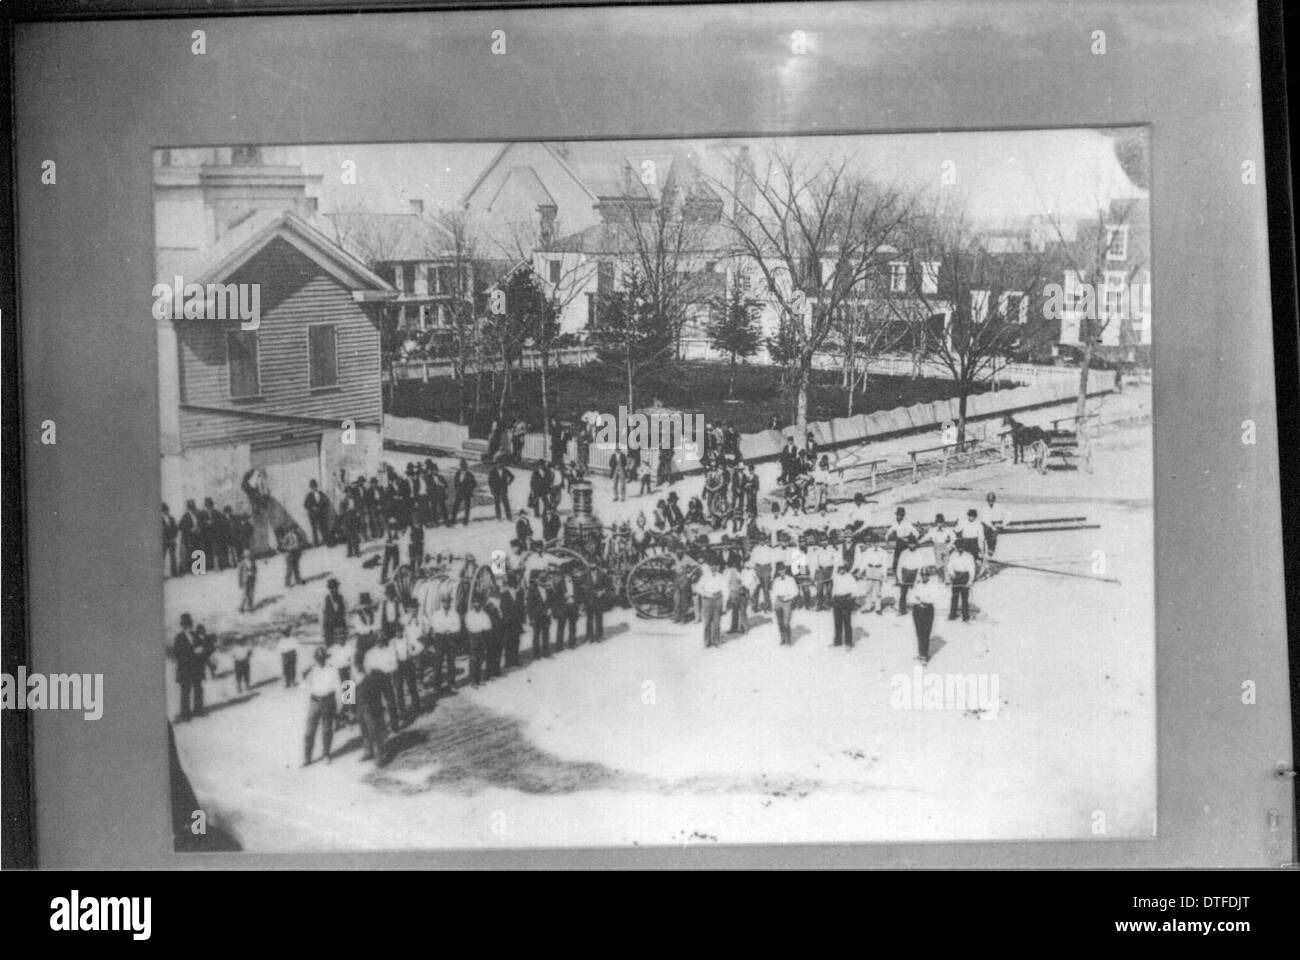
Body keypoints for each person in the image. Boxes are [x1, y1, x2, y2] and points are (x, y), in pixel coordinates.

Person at [302, 646, 340, 766]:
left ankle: (326, 754)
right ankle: (307, 758)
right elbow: (304, 687)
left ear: (326, 658)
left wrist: (341, 705)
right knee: (309, 732)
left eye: (322, 658)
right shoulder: (312, 670)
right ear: (315, 659)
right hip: (315, 701)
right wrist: (304, 676)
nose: (321, 661)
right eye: (318, 659)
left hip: (328, 701)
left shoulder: (332, 670)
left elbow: (339, 687)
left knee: (327, 730)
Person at [394, 600, 424, 719]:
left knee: (411, 685)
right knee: (399, 688)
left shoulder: (407, 639)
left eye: (400, 631)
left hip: (407, 662)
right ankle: (401, 709)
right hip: (397, 666)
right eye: (397, 632)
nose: (399, 633)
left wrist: (412, 653)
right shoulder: (393, 643)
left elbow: (419, 646)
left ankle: (416, 706)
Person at [428, 596, 462, 693]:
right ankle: (437, 685)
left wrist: (449, 630)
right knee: (438, 662)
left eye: (448, 602)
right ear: (442, 603)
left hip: (451, 638)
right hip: (440, 639)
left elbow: (457, 627)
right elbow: (435, 626)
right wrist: (445, 629)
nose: (446, 604)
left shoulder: (454, 614)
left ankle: (451, 683)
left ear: (450, 603)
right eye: (444, 602)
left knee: (451, 661)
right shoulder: (436, 614)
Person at [173, 613, 203, 721]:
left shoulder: (196, 635)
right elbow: (176, 653)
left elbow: (201, 647)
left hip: (196, 667)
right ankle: (185, 714)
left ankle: (198, 710)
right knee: (185, 691)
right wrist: (191, 653)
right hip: (185, 668)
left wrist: (200, 651)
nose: (189, 626)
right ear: (183, 626)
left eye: (190, 624)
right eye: (187, 625)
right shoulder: (178, 638)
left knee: (198, 689)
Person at [910, 567, 944, 663]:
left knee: (926, 633)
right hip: (917, 610)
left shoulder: (933, 586)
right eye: (922, 575)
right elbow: (912, 597)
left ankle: (924, 656)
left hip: (928, 610)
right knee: (919, 633)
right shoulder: (918, 584)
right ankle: (921, 653)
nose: (924, 577)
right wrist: (922, 598)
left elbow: (932, 599)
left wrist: (921, 598)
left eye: (926, 575)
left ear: (929, 576)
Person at [694, 559, 726, 648]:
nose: (713, 567)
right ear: (709, 567)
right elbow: (698, 588)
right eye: (712, 566)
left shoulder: (721, 576)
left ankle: (716, 641)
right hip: (707, 600)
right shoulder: (705, 576)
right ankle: (707, 642)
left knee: (717, 621)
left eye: (716, 565)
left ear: (718, 567)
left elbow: (725, 590)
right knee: (707, 622)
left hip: (718, 599)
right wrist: (705, 593)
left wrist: (724, 606)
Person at [854, 539, 889, 614]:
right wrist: (860, 571)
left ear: (880, 543)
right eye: (874, 542)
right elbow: (864, 562)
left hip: (878, 571)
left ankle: (878, 608)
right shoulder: (868, 551)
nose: (876, 544)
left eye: (878, 542)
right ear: (872, 543)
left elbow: (885, 564)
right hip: (870, 570)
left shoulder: (883, 552)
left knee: (878, 591)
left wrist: (885, 575)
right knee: (868, 590)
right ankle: (868, 607)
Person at [946, 541, 977, 622]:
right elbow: (950, 565)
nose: (960, 549)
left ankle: (965, 616)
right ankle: (952, 614)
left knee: (964, 597)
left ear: (964, 547)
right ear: (956, 547)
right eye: (958, 547)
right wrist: (952, 574)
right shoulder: (953, 555)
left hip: (965, 576)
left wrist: (970, 581)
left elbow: (972, 569)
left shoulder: (969, 556)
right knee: (954, 597)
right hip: (956, 576)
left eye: (961, 547)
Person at [831, 561, 859, 648]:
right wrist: (833, 598)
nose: (841, 570)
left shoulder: (850, 577)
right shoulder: (836, 577)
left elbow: (855, 590)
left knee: (847, 622)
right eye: (839, 568)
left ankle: (848, 643)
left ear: (846, 569)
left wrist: (851, 600)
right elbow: (834, 588)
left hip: (846, 600)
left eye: (843, 568)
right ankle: (837, 641)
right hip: (837, 600)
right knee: (837, 622)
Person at [464, 600, 493, 686]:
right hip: (473, 637)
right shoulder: (470, 615)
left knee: (481, 658)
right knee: (473, 659)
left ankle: (480, 678)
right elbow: (469, 626)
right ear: (473, 605)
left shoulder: (484, 615)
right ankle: (473, 680)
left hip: (482, 637)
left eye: (478, 604)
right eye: (475, 604)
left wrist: (479, 626)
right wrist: (480, 626)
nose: (477, 606)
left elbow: (488, 625)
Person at [920, 514, 955, 581]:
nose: (940, 524)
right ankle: (941, 578)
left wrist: (948, 546)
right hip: (937, 547)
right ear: (936, 522)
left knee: (946, 564)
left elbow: (954, 538)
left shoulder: (947, 529)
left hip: (945, 546)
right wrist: (918, 542)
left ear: (943, 522)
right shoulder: (933, 530)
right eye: (938, 522)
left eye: (941, 522)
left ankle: (947, 580)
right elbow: (926, 537)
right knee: (938, 565)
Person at [771, 564, 799, 646]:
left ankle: (788, 640)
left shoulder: (791, 580)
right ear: (778, 571)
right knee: (780, 622)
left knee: (786, 623)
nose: (781, 572)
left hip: (787, 602)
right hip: (778, 602)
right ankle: (782, 638)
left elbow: (795, 591)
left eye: (783, 570)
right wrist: (774, 603)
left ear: (785, 570)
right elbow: (774, 592)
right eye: (780, 570)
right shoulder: (776, 580)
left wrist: (788, 597)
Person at [886, 508, 918, 578]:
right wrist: (887, 537)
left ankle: (905, 577)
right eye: (897, 515)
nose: (898, 517)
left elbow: (916, 533)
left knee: (905, 561)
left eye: (900, 515)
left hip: (906, 544)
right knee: (896, 562)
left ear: (903, 516)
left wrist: (911, 541)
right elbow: (889, 531)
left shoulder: (907, 524)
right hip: (899, 543)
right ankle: (897, 578)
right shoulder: (895, 524)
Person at [896, 538, 923, 615]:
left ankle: (920, 610)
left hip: (914, 573)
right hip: (905, 574)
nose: (912, 546)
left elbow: (920, 566)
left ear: (916, 545)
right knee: (903, 593)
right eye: (910, 544)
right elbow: (899, 566)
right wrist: (899, 577)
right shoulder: (904, 553)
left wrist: (918, 577)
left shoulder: (918, 553)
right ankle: (902, 610)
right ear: (908, 544)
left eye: (913, 544)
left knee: (918, 592)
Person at [304, 480, 330, 546]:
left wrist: (323, 509)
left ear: (316, 486)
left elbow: (327, 502)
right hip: (313, 515)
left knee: (323, 527)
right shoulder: (309, 495)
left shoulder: (321, 493)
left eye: (315, 487)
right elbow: (305, 505)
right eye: (312, 487)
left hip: (321, 514)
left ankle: (326, 540)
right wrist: (312, 507)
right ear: (310, 488)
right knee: (314, 529)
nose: (314, 488)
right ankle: (316, 543)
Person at [451, 459, 476, 526]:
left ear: (466, 467)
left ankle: (466, 521)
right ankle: (453, 520)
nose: (463, 468)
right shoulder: (458, 473)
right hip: (459, 493)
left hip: (467, 493)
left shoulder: (469, 474)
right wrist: (457, 488)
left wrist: (470, 489)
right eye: (462, 466)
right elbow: (455, 482)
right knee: (455, 506)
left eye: (464, 466)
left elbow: (474, 483)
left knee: (466, 508)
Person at [983, 493, 1006, 558]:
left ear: (994, 500)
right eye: (989, 500)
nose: (991, 502)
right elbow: (985, 519)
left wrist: (1002, 524)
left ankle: (991, 549)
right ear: (987, 500)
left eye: (992, 500)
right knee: (986, 533)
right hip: (989, 524)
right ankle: (988, 549)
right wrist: (991, 526)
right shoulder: (985, 508)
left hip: (998, 523)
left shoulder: (999, 506)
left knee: (994, 535)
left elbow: (1006, 515)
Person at [380, 518, 402, 582]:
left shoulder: (397, 531)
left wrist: (394, 541)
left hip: (395, 548)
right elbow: (384, 539)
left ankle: (396, 576)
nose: (392, 526)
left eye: (393, 524)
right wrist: (388, 541)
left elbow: (399, 540)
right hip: (388, 548)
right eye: (391, 524)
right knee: (386, 563)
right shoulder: (387, 531)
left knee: (396, 562)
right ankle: (383, 577)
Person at [236, 548, 257, 613]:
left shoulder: (253, 562)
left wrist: (253, 573)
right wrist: (239, 582)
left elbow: (255, 570)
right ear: (244, 556)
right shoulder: (242, 563)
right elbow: (239, 574)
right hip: (245, 580)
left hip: (251, 579)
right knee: (245, 594)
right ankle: (241, 607)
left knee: (251, 593)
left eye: (249, 555)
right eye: (247, 555)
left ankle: (250, 607)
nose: (248, 556)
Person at [162, 504, 179, 578]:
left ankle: (174, 573)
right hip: (164, 540)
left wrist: (174, 536)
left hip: (172, 540)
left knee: (173, 557)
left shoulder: (171, 518)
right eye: (165, 510)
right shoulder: (160, 518)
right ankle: (161, 575)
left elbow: (175, 528)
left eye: (167, 510)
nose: (166, 511)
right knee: (162, 557)